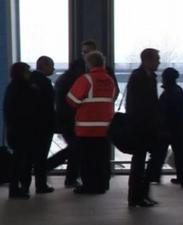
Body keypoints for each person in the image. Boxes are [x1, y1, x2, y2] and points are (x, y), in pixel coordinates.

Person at [47, 40, 119, 187]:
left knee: (81, 153)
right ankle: (100, 182)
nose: (85, 55)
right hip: (104, 124)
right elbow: (114, 94)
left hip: (83, 123)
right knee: (98, 155)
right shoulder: (108, 77)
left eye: (87, 52)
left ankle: (80, 181)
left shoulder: (80, 76)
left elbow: (71, 99)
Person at [66, 51, 115, 194]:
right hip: (105, 127)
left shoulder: (86, 79)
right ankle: (102, 185)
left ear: (89, 64)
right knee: (102, 159)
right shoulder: (109, 80)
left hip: (86, 128)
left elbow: (72, 100)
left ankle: (89, 186)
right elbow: (112, 97)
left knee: (87, 160)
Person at [126, 48, 162, 207]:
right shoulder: (139, 77)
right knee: (139, 162)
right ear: (147, 60)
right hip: (140, 127)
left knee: (148, 160)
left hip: (149, 126)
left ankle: (142, 194)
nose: (159, 62)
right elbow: (135, 104)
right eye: (157, 59)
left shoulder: (149, 77)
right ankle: (136, 197)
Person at [23, 56, 56, 194]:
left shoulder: (28, 81)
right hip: (44, 125)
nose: (53, 69)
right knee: (41, 157)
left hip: (30, 125)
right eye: (51, 66)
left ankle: (25, 186)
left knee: (28, 157)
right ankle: (41, 185)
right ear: (45, 66)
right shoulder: (44, 82)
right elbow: (49, 105)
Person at [4, 63, 35, 199]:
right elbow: (27, 110)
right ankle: (18, 188)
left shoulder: (12, 87)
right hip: (23, 130)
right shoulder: (24, 88)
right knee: (22, 161)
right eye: (28, 71)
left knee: (18, 161)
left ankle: (16, 188)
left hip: (15, 130)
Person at [154, 68, 183, 185]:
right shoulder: (179, 91)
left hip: (167, 129)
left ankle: (154, 175)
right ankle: (182, 177)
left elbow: (162, 112)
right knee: (179, 154)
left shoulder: (167, 93)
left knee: (160, 153)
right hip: (178, 128)